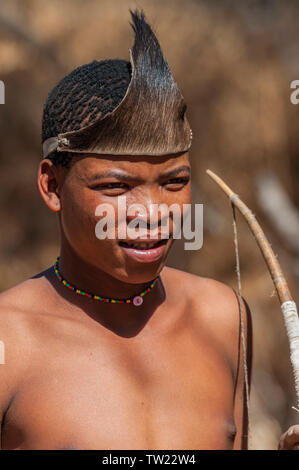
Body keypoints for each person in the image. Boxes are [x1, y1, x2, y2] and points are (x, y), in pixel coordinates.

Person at [0, 9, 297, 451]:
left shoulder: (221, 317)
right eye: (116, 186)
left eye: (174, 182)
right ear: (52, 185)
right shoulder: (10, 340)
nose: (152, 212)